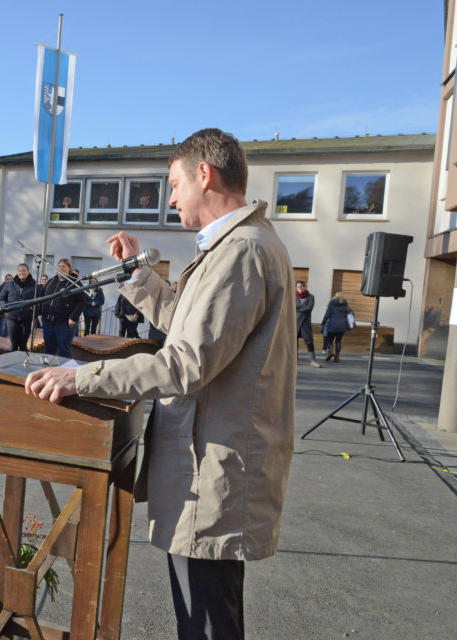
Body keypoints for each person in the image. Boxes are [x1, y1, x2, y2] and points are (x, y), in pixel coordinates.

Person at [25, 128, 296, 640]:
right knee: (202, 620)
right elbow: (190, 324)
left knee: (206, 625)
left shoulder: (241, 251)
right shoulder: (236, 246)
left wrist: (81, 377)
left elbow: (185, 362)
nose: (169, 197)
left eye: (173, 184)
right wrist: (136, 275)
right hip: (207, 466)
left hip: (213, 470)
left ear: (204, 174)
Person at [41, 259, 84, 357]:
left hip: (64, 324)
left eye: (64, 266)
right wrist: (40, 314)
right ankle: (49, 371)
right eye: (59, 266)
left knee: (64, 350)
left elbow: (81, 301)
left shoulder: (75, 283)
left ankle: (66, 371)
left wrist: (73, 317)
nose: (61, 268)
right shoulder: (52, 281)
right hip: (48, 323)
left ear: (69, 269)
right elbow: (43, 297)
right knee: (49, 349)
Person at [0, 263, 39, 352]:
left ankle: (23, 363)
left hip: (26, 319)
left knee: (23, 344)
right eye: (20, 271)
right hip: (11, 318)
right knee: (14, 344)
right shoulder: (9, 285)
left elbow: (39, 302)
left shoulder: (34, 286)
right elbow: (1, 299)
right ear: (17, 272)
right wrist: (6, 307)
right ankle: (11, 364)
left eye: (24, 270)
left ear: (28, 271)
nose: (22, 272)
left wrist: (33, 310)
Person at [295, 281, 322, 368]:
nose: (300, 288)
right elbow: (292, 307)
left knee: (309, 341)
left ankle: (312, 360)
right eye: (298, 287)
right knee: (294, 341)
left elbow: (309, 308)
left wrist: (298, 309)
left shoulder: (310, 297)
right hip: (295, 322)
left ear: (304, 287)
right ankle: (295, 360)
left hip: (305, 323)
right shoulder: (293, 296)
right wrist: (302, 308)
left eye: (301, 286)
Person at [321, 292, 354, 363]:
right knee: (338, 341)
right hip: (342, 326)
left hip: (332, 325)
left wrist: (322, 324)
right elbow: (351, 314)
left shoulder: (331, 304)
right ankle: (337, 357)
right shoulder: (346, 305)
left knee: (329, 340)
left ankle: (331, 351)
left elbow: (327, 315)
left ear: (335, 297)